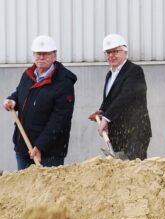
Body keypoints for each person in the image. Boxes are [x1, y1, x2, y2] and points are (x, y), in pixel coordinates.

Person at [3, 35, 76, 170]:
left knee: (48, 190)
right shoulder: (28, 74)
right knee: (25, 189)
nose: (41, 57)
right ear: (33, 55)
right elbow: (20, 93)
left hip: (48, 153)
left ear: (54, 56)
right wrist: (12, 100)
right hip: (24, 147)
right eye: (38, 53)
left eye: (46, 54)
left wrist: (40, 146)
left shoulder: (63, 83)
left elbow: (60, 120)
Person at [88, 34, 152, 160]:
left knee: (134, 172)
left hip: (135, 132)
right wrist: (101, 112)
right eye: (108, 52)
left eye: (115, 51)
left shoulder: (134, 71)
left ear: (125, 53)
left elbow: (126, 97)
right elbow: (110, 100)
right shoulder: (110, 75)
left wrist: (106, 118)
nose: (111, 55)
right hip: (117, 133)